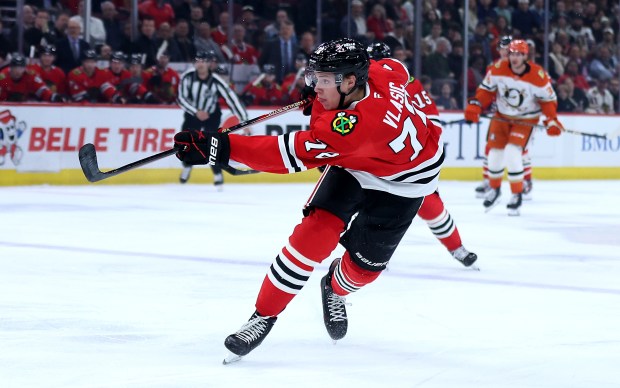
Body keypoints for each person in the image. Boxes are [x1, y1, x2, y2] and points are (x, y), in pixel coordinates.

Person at [173, 38, 444, 361]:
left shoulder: (356, 129)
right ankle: (262, 316)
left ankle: (335, 286)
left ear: (351, 82)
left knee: (363, 271)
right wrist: (319, 98)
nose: (316, 87)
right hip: (357, 165)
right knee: (312, 236)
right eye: (314, 78)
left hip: (405, 185)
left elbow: (284, 155)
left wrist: (219, 148)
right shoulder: (381, 69)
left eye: (323, 81)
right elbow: (396, 69)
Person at [367, 42, 477, 268]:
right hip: (374, 163)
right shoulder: (359, 88)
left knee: (430, 204)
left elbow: (432, 121)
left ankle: (456, 248)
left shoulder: (409, 84)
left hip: (408, 162)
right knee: (371, 209)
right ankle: (369, 255)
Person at [464, 40, 563, 216]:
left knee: (512, 152)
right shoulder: (498, 68)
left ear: (525, 56)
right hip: (501, 117)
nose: (514, 57)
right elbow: (486, 91)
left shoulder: (538, 76)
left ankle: (517, 194)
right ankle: (495, 190)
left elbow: (548, 101)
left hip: (525, 120)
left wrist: (551, 120)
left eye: (519, 54)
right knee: (494, 154)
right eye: (512, 53)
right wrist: (477, 105)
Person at [176, 50, 249, 186]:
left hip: (211, 115)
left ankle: (217, 173)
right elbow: (181, 98)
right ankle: (187, 167)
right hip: (192, 115)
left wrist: (244, 119)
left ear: (209, 63)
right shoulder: (187, 78)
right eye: (198, 60)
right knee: (186, 141)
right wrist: (196, 111)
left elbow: (231, 98)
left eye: (203, 61)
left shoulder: (216, 81)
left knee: (213, 144)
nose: (200, 64)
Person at [475, 35, 534, 200]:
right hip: (499, 113)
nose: (505, 52)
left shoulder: (523, 68)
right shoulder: (493, 67)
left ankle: (526, 182)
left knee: (519, 149)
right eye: (502, 49)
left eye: (508, 49)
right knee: (492, 147)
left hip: (520, 115)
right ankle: (489, 181)